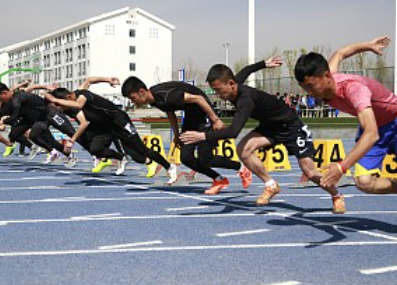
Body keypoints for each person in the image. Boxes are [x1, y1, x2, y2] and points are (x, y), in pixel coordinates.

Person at [294, 36, 397, 237]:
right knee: (364, 182)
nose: (309, 93)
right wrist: (368, 46)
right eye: (304, 88)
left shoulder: (354, 90)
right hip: (377, 123)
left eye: (311, 86)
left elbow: (371, 134)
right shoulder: (328, 77)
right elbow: (341, 52)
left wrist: (341, 166)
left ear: (326, 76)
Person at [180, 58, 346, 212]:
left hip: (291, 127)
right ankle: (271, 185)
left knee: (309, 172)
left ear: (231, 83)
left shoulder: (245, 100)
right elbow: (246, 70)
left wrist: (202, 136)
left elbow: (233, 131)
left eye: (219, 90)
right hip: (270, 127)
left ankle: (336, 195)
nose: (218, 95)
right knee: (243, 150)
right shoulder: (233, 84)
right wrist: (264, 64)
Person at [122, 76, 252, 195]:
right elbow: (170, 111)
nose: (133, 102)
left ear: (141, 92)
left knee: (205, 159)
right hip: (191, 118)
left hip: (204, 113)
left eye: (132, 98)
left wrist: (215, 120)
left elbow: (199, 98)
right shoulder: (154, 99)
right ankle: (219, 179)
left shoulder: (168, 95)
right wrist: (176, 134)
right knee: (186, 157)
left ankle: (241, 167)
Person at [45, 77, 178, 184]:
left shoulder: (82, 96)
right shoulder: (75, 98)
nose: (62, 108)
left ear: (68, 97)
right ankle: (120, 157)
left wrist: (55, 99)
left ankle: (169, 166)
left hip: (120, 121)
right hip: (107, 126)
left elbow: (79, 104)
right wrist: (107, 79)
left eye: (62, 104)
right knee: (95, 148)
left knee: (139, 152)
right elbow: (89, 80)